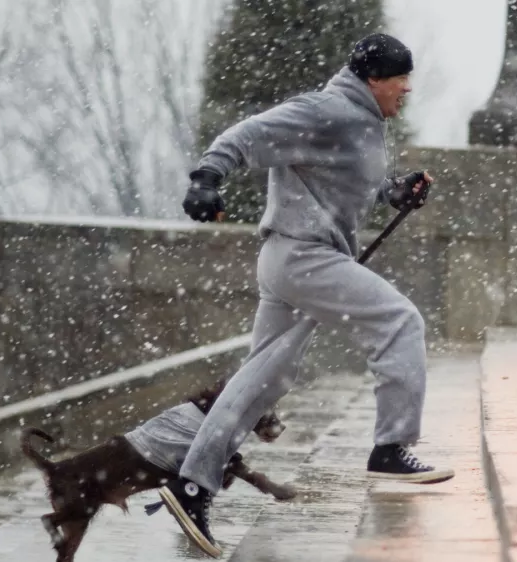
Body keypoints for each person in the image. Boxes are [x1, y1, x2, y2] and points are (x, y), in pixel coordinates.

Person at [157, 32, 454, 557]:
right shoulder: (328, 109)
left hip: (296, 258)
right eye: (400, 77)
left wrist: (395, 191)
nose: (407, 87)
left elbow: (351, 182)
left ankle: (192, 483)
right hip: (304, 256)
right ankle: (391, 448)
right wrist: (206, 177)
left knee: (263, 378)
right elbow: (248, 133)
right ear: (373, 79)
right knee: (401, 321)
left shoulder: (362, 121)